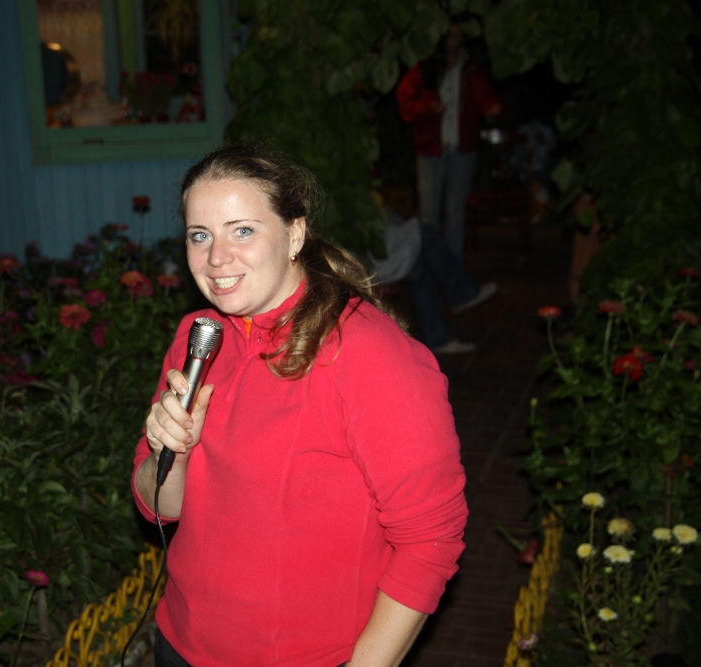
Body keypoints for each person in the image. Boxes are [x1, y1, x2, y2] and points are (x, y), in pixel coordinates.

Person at [132, 143, 468, 667]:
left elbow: (432, 540)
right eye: (201, 235)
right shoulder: (199, 336)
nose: (217, 258)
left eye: (242, 230)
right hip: (179, 643)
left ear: (295, 234)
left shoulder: (369, 356)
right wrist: (168, 452)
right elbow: (158, 507)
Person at [397, 22, 501, 258]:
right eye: (448, 36)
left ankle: (453, 267)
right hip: (430, 148)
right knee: (428, 213)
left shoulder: (471, 69)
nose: (451, 42)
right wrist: (429, 108)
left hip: (462, 149)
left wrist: (491, 109)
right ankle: (430, 264)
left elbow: (484, 99)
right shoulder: (426, 68)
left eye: (455, 36)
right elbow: (406, 102)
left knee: (455, 212)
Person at [372, 210, 498, 355]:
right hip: (369, 259)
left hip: (376, 251)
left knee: (418, 264)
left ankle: (438, 335)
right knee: (423, 236)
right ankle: (460, 296)